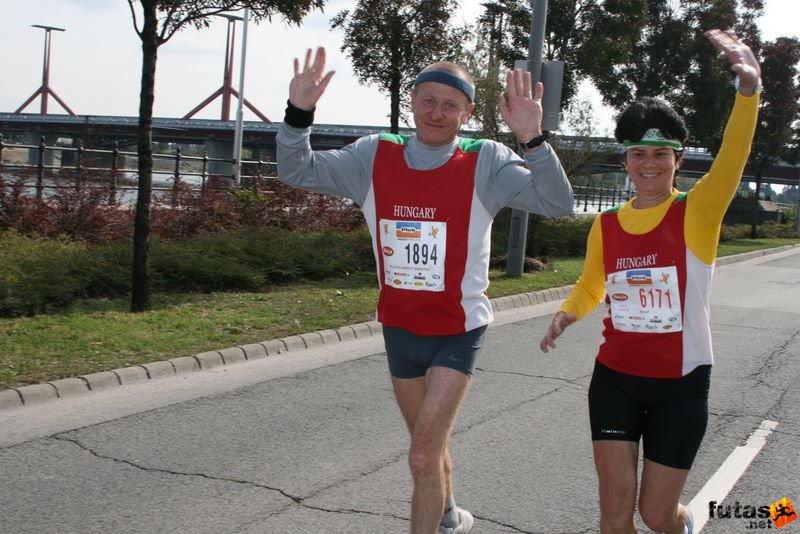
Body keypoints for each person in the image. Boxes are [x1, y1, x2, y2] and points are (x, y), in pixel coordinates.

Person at [277, 47, 573, 533]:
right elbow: (296, 170)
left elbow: (558, 203)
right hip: (400, 328)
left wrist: (532, 139)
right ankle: (451, 515)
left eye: (450, 105)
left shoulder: (486, 161)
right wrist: (298, 114)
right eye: (428, 101)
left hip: (458, 331)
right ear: (412, 101)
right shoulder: (374, 155)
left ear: (468, 112)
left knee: (420, 454)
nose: (437, 113)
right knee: (427, 444)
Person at [539, 29, 761, 534]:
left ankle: (681, 524)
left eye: (662, 153)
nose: (650, 163)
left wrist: (748, 93)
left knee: (656, 514)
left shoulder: (697, 212)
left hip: (681, 387)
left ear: (678, 161)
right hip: (615, 377)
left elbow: (732, 157)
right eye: (639, 153)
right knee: (615, 514)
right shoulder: (607, 225)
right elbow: (593, 286)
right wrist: (566, 313)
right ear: (625, 162)